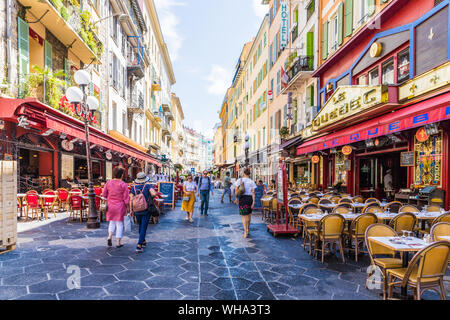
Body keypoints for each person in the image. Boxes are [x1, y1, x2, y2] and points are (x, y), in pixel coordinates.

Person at [130, 172, 158, 253]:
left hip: (136, 210)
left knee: (140, 225)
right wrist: (149, 196)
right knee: (143, 227)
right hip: (145, 209)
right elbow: (154, 193)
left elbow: (131, 199)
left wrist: (131, 210)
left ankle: (143, 240)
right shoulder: (148, 185)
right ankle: (139, 245)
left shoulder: (133, 187)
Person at [102, 167, 130, 248]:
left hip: (110, 205)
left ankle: (109, 236)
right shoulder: (123, 184)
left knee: (112, 222)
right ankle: (118, 242)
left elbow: (104, 195)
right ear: (121, 175)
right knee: (120, 224)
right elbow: (126, 198)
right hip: (120, 206)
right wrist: (128, 207)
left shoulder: (108, 183)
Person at [235, 168, 257, 238]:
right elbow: (253, 193)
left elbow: (236, 189)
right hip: (249, 198)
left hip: (242, 198)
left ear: (244, 173)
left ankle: (245, 231)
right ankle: (248, 229)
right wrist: (253, 202)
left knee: (243, 216)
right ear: (249, 174)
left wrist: (236, 198)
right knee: (249, 215)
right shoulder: (251, 182)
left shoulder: (240, 180)